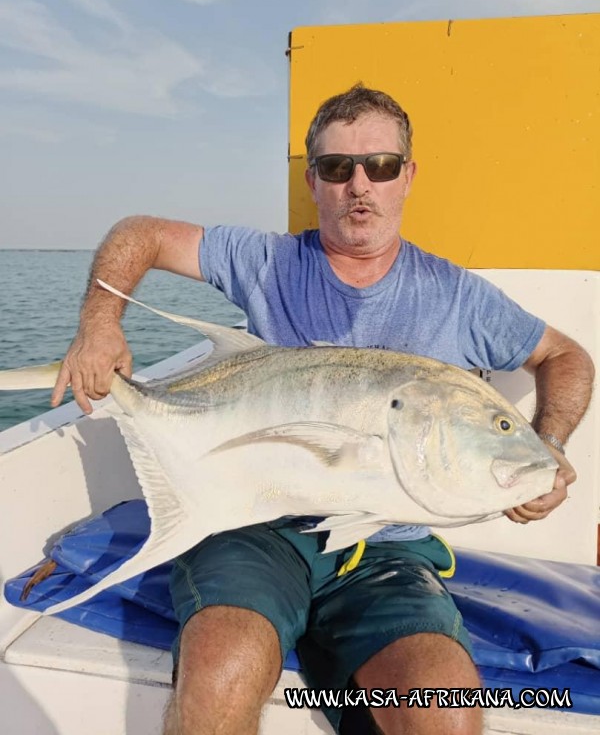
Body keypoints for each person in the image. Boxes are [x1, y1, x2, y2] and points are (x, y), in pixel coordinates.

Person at [51, 84, 594, 735]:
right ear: (314, 180)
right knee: (222, 666)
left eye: (381, 166)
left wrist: (547, 442)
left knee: (443, 703)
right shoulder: (267, 261)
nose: (360, 184)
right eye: (338, 168)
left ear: (407, 176)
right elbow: (137, 234)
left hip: (388, 550)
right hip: (253, 526)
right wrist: (100, 324)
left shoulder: (457, 297)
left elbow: (566, 356)